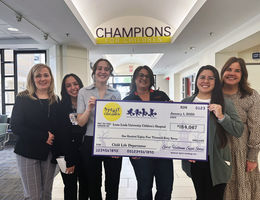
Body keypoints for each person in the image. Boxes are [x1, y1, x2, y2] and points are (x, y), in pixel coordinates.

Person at [181, 65, 244, 200]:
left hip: (217, 160)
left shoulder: (224, 102)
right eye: (202, 77)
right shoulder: (187, 102)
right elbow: (180, 131)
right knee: (201, 196)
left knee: (215, 197)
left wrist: (222, 116)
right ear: (197, 80)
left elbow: (238, 130)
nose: (206, 81)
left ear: (216, 82)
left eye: (211, 78)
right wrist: (185, 151)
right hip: (195, 160)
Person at [123, 65, 173, 200]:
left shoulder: (160, 96)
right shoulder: (127, 100)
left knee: (166, 186)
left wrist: (174, 110)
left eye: (147, 76)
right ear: (134, 79)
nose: (144, 78)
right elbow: (122, 129)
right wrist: (130, 150)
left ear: (151, 80)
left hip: (163, 149)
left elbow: (171, 120)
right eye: (140, 75)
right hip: (140, 152)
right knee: (144, 188)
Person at [11, 63, 59, 200]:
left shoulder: (55, 99)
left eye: (46, 75)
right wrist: (43, 136)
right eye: (38, 76)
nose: (42, 79)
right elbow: (15, 126)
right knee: (33, 195)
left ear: (51, 78)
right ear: (32, 78)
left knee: (46, 194)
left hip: (48, 153)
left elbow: (58, 126)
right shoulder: (23, 98)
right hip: (27, 152)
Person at [77, 58, 122, 200]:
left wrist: (118, 147)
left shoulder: (116, 94)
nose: (103, 71)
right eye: (100, 68)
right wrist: (89, 109)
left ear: (110, 73)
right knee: (93, 183)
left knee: (113, 182)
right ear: (94, 71)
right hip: (90, 141)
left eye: (107, 69)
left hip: (111, 141)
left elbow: (119, 123)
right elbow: (80, 123)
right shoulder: (84, 92)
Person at [221, 57, 260, 200]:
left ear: (243, 75)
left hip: (241, 151)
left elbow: (256, 127)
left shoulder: (251, 95)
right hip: (219, 150)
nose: (232, 73)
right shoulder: (214, 93)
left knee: (242, 189)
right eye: (229, 69)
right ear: (223, 71)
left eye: (237, 70)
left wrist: (252, 157)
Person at [55, 73, 88, 200]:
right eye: (68, 85)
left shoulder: (87, 107)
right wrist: (70, 160)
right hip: (66, 155)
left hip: (84, 153)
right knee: (70, 187)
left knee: (85, 186)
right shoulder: (60, 108)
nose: (73, 87)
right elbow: (62, 136)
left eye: (75, 84)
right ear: (65, 89)